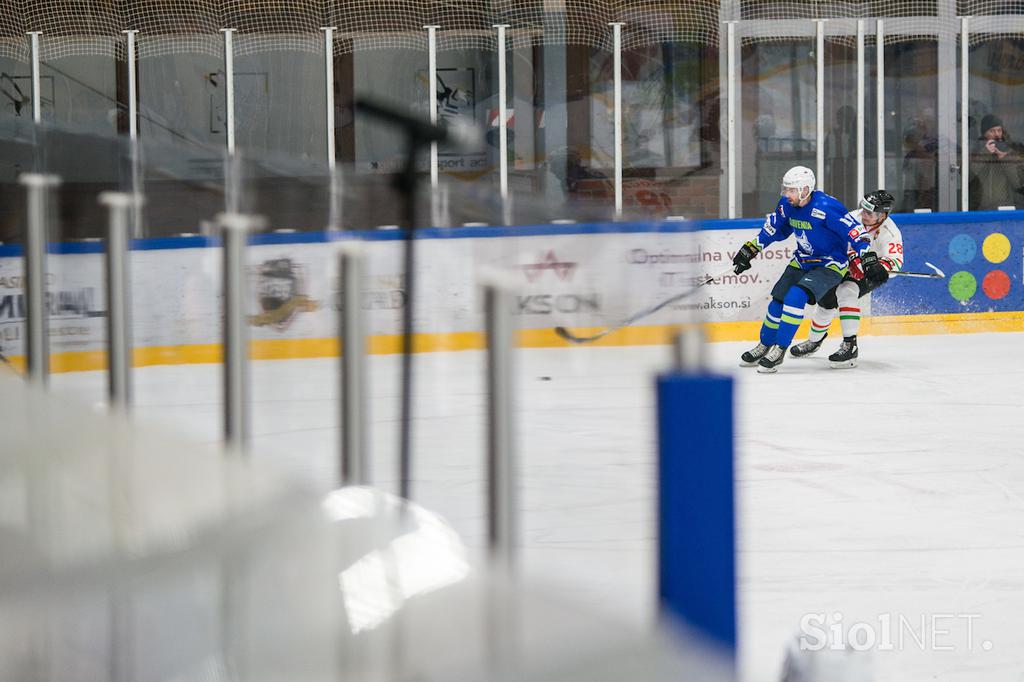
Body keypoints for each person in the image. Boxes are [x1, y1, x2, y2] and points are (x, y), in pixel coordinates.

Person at [732, 165, 868, 373]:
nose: (787, 194)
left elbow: (855, 232)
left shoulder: (827, 207)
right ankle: (764, 345)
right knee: (777, 301)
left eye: (791, 190)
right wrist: (749, 250)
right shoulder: (786, 204)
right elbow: (774, 230)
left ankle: (779, 350)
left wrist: (868, 256)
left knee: (795, 296)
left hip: (829, 264)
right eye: (785, 189)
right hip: (802, 260)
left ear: (805, 189)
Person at [788, 190, 901, 368]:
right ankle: (814, 341)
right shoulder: (852, 217)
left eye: (869, 213)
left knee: (847, 291)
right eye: (862, 209)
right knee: (826, 302)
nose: (863, 214)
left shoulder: (890, 233)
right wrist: (852, 258)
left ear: (883, 215)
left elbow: (895, 262)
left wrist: (875, 267)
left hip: (870, 272)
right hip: (844, 265)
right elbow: (835, 241)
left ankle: (850, 346)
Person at [970, 113, 1024, 211]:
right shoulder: (975, 151)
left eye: (999, 130)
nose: (997, 134)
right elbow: (969, 176)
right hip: (980, 208)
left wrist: (1004, 158)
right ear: (984, 134)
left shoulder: (1011, 151)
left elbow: (1018, 183)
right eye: (992, 131)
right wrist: (984, 154)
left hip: (1006, 207)